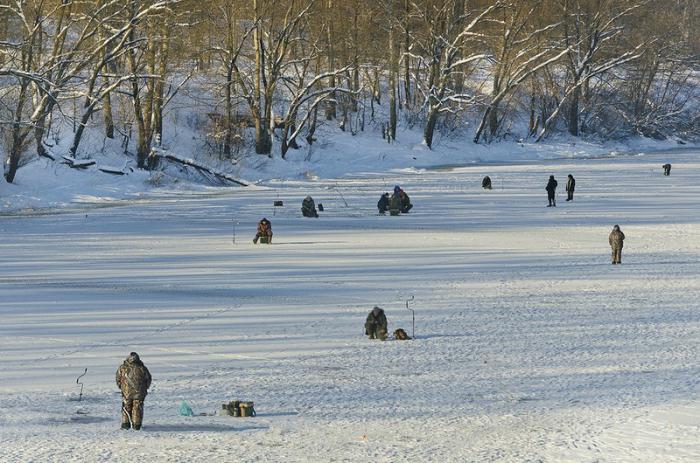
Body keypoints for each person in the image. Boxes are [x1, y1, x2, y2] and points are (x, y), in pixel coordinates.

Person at [116, 352, 152, 430]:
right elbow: (148, 379)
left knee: (126, 406)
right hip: (139, 392)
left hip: (126, 392)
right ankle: (137, 425)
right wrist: (145, 388)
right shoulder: (142, 368)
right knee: (137, 407)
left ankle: (126, 424)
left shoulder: (122, 368)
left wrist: (122, 387)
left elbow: (118, 378)